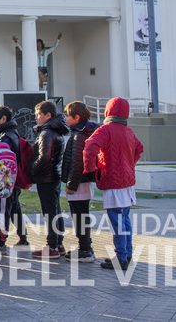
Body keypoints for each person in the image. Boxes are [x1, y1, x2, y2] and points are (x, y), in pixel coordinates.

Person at [83, 97, 144, 271]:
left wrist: (91, 169)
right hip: (128, 182)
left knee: (116, 221)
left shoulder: (105, 130)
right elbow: (139, 148)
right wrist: (129, 164)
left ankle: (121, 257)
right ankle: (127, 253)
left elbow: (90, 147)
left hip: (113, 181)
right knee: (125, 219)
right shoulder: (128, 131)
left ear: (108, 111)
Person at [30, 100, 69, 259]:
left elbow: (44, 157)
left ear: (48, 115)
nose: (36, 117)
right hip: (53, 175)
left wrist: (32, 170)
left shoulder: (46, 132)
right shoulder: (56, 130)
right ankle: (58, 244)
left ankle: (52, 246)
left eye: (39, 114)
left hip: (46, 177)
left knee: (50, 212)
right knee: (55, 210)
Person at [62, 101, 99, 263]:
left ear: (76, 117)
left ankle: (85, 250)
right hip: (84, 182)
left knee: (79, 216)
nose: (65, 118)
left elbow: (78, 162)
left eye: (67, 115)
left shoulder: (79, 135)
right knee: (82, 215)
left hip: (79, 183)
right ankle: (86, 246)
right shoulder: (84, 131)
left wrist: (71, 184)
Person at [0, 106, 29, 248]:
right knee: (14, 208)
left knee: (3, 210)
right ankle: (23, 236)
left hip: (6, 180)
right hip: (14, 179)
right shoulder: (13, 133)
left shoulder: (6, 137)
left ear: (3, 119)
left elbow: (3, 160)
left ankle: (1, 241)